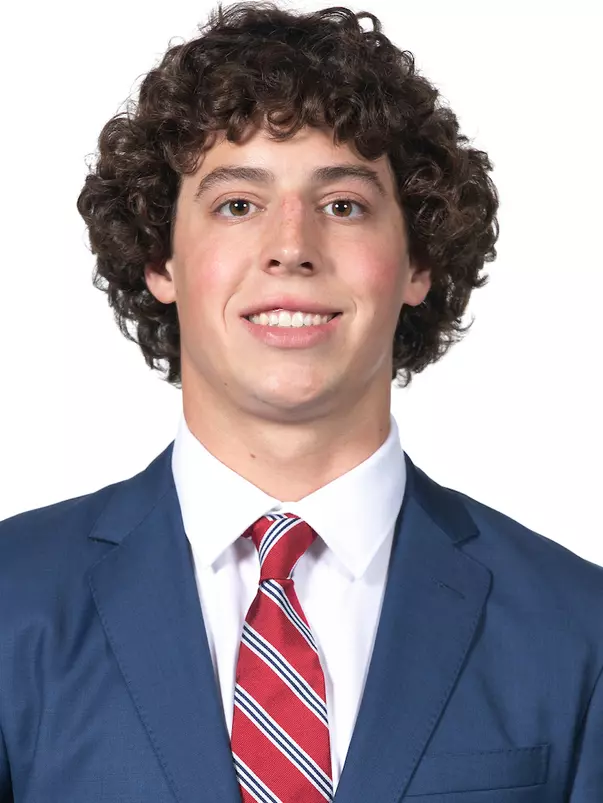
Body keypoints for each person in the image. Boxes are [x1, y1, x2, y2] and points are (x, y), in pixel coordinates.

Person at [0, 2, 601, 800]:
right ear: (159, 258)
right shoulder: (14, 603)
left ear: (417, 261)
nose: (291, 245)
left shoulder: (576, 630)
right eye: (237, 205)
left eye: (343, 204)